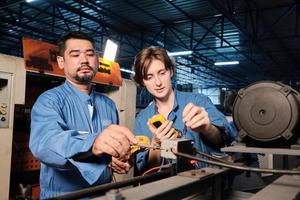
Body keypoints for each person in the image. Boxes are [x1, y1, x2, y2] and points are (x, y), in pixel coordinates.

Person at [29, 31, 137, 198]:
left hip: (103, 195)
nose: (84, 60)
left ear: (96, 60)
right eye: (75, 54)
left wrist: (117, 159)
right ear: (61, 62)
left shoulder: (108, 104)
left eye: (90, 53)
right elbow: (45, 143)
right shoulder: (49, 101)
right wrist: (93, 143)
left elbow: (107, 153)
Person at [131, 47, 232, 174]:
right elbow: (145, 168)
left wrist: (207, 128)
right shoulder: (142, 119)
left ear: (171, 71)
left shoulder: (198, 101)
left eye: (162, 73)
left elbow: (225, 139)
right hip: (162, 188)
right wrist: (156, 145)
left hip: (200, 184)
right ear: (142, 81)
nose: (158, 82)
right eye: (149, 77)